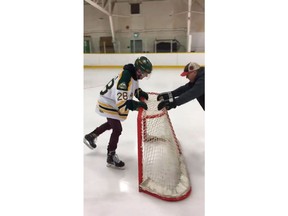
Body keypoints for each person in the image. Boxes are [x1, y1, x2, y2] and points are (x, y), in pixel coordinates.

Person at [83, 56, 152, 169]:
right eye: (144, 73)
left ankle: (91, 136)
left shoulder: (132, 75)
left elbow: (134, 89)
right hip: (107, 103)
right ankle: (111, 156)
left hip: (111, 102)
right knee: (117, 129)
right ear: (139, 70)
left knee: (111, 124)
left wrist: (140, 94)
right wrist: (136, 105)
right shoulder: (125, 79)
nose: (144, 76)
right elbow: (123, 103)